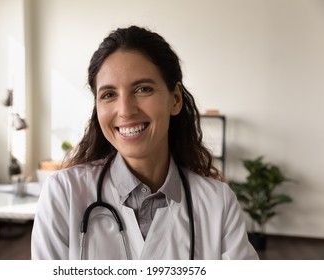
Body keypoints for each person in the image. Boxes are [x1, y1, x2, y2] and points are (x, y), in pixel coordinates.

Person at [31, 25, 258, 260]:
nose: (125, 110)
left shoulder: (217, 203)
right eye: (108, 94)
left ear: (175, 99)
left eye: (143, 89)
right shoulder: (63, 193)